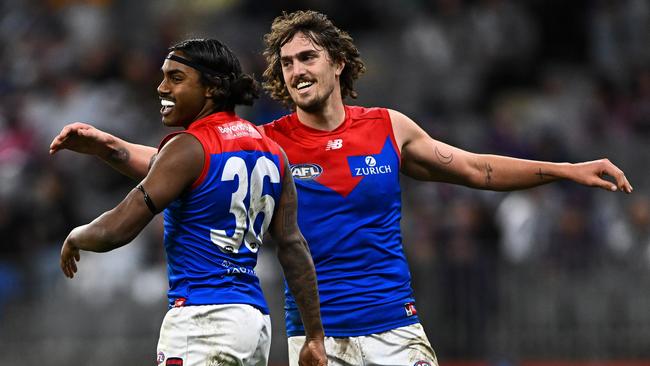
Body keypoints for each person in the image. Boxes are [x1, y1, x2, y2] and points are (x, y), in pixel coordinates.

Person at [50, 11, 633, 366]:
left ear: (337, 64)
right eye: (286, 63)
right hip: (314, 339)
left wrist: (565, 169)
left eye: (308, 57)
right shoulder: (267, 138)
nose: (297, 69)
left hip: (395, 328)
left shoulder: (387, 127)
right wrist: (106, 146)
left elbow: (476, 169)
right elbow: (179, 169)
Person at [53, 38, 327, 366]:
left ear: (211, 88)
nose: (162, 87)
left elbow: (118, 228)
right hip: (252, 321)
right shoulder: (271, 151)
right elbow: (294, 248)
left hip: (202, 321)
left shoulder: (188, 147)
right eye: (164, 76)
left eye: (176, 78)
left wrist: (75, 236)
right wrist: (315, 336)